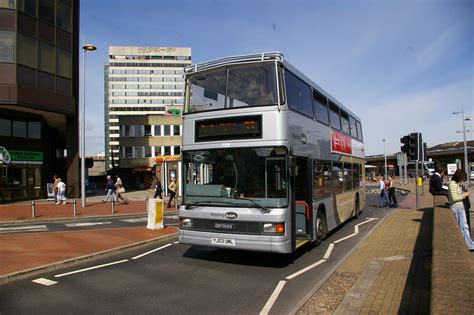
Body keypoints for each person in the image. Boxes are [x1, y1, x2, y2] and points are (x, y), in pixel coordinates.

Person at [447, 169, 474, 251]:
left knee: (464, 226)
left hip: (459, 207)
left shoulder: (455, 184)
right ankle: (469, 245)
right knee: (463, 227)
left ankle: (469, 243)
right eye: (462, 178)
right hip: (457, 208)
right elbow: (454, 198)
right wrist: (464, 195)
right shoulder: (452, 184)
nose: (462, 180)